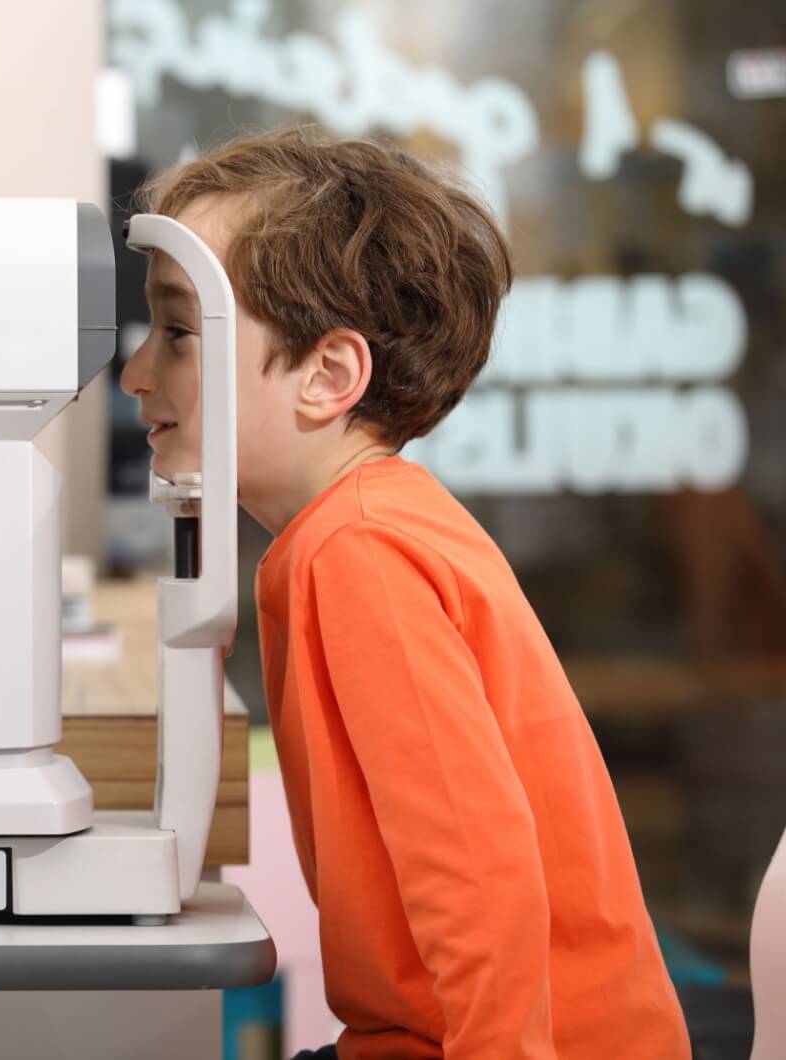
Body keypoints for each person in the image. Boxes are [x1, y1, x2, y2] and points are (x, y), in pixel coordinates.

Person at [120, 128, 691, 1058]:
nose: (138, 371)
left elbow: (478, 878)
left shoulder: (363, 553)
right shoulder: (349, 533)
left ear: (328, 376)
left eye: (180, 332)